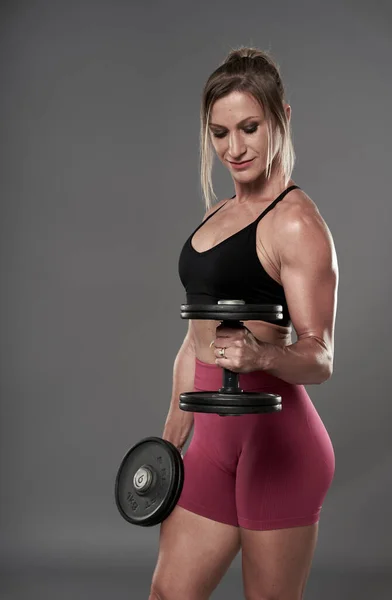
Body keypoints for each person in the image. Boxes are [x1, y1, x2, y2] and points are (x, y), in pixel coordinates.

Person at [149, 47, 338, 600]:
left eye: (250, 128)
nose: (234, 148)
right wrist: (171, 433)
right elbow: (194, 340)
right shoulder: (216, 213)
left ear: (282, 116)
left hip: (278, 445)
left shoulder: (297, 223)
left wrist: (261, 358)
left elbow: (320, 357)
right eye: (219, 132)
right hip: (210, 437)